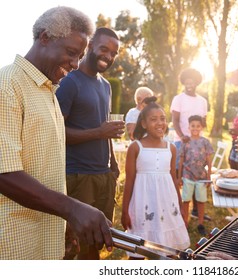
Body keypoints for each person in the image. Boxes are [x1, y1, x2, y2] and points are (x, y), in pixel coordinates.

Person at [0, 6, 114, 260]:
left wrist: (65, 219)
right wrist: (71, 208)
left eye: (80, 56)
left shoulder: (49, 89)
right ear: (45, 37)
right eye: (72, 53)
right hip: (15, 241)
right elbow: (4, 173)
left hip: (46, 234)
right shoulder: (7, 86)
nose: (75, 64)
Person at [56, 27, 123, 260]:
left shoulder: (106, 85)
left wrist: (113, 165)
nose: (108, 56)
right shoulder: (69, 82)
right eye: (104, 49)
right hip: (77, 176)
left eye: (114, 53)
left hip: (103, 175)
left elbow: (104, 129)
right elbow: (57, 133)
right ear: (91, 46)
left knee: (97, 241)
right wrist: (98, 132)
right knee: (76, 246)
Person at [121, 96, 190, 259]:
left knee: (170, 250)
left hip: (167, 205)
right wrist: (125, 211)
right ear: (143, 123)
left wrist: (180, 205)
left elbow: (173, 179)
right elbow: (129, 181)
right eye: (154, 119)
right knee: (136, 252)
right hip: (142, 205)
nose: (160, 123)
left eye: (163, 119)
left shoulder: (171, 148)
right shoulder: (135, 147)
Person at [170, 68, 210, 221]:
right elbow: (174, 120)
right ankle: (177, 209)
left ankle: (195, 210)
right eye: (187, 81)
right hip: (181, 142)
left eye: (192, 81)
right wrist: (182, 136)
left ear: (196, 82)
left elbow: (203, 122)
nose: (189, 84)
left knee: (197, 174)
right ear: (183, 82)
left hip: (197, 144)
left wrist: (199, 138)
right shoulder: (178, 99)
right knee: (180, 176)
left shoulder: (202, 101)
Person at [178, 115, 214, 235]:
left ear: (201, 127)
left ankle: (201, 223)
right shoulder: (186, 142)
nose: (195, 128)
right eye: (193, 126)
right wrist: (179, 177)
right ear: (189, 127)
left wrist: (209, 176)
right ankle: (184, 222)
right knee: (186, 200)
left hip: (201, 177)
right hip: (187, 175)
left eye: (198, 126)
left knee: (201, 200)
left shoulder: (205, 142)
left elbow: (209, 160)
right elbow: (181, 160)